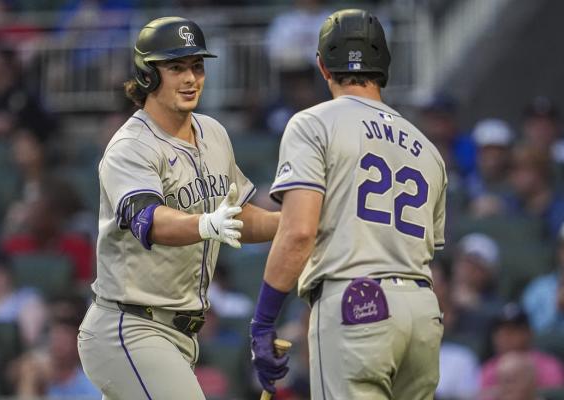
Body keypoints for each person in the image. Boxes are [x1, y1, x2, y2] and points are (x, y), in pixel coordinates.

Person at [77, 16, 279, 399]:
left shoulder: (214, 132)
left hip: (180, 335)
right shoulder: (131, 146)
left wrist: (290, 224)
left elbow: (237, 217)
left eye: (196, 66)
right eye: (176, 67)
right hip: (130, 327)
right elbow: (149, 220)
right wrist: (206, 224)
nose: (190, 78)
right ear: (148, 75)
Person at [249, 9, 447, 399]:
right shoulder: (428, 148)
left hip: (357, 306)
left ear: (323, 66)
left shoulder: (312, 123)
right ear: (384, 67)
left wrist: (263, 320)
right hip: (422, 311)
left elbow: (299, 230)